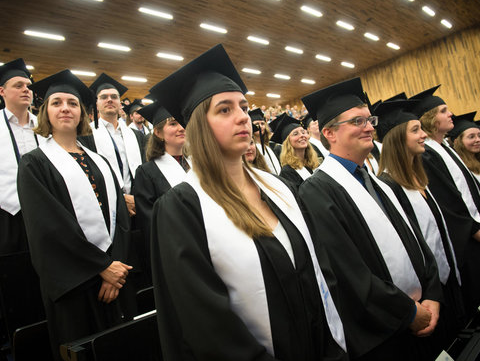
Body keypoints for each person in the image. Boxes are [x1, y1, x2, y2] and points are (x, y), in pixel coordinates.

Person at [148, 44, 347, 361]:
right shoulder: (182, 207)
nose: (243, 118)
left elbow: (322, 271)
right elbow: (206, 326)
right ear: (199, 125)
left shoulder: (278, 187)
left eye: (243, 106)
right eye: (225, 109)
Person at [300, 77, 443, 361]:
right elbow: (349, 272)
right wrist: (408, 312)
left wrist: (433, 293)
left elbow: (413, 238)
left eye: (369, 119)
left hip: (423, 313)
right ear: (329, 132)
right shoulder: (316, 191)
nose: (369, 127)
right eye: (357, 121)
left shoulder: (375, 180)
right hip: (384, 335)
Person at [17, 70, 136, 361]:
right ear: (45, 112)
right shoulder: (35, 164)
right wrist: (101, 267)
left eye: (72, 103)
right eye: (56, 103)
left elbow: (120, 219)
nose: (66, 108)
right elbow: (48, 228)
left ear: (82, 112)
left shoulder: (99, 160)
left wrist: (115, 270)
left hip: (114, 278)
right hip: (74, 282)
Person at [375, 99, 465, 351]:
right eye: (415, 130)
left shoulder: (418, 177)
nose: (424, 134)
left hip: (446, 284)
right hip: (428, 295)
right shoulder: (388, 186)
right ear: (396, 140)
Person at [412, 86, 480, 316]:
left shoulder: (444, 148)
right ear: (431, 119)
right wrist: (475, 230)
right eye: (443, 110)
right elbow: (447, 203)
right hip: (465, 242)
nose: (450, 114)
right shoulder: (428, 155)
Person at [0, 58, 46, 347]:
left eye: (28, 85)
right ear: (2, 91)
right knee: (13, 283)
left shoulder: (42, 127)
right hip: (8, 215)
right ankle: (14, 337)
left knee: (42, 274)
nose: (26, 89)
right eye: (18, 85)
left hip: (43, 215)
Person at [133, 101, 189, 284]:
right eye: (173, 123)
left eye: (182, 122)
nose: (181, 128)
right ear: (158, 132)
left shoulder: (199, 165)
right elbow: (151, 224)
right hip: (177, 257)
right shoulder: (147, 172)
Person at [78, 73, 145, 216]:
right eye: (103, 97)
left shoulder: (136, 135)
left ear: (120, 103)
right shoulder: (85, 136)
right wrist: (121, 199)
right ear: (96, 103)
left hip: (138, 202)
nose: (109, 100)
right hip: (107, 206)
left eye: (114, 97)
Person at [271, 115, 320, 189]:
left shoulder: (311, 163)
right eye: (295, 134)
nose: (302, 135)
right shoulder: (288, 172)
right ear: (288, 142)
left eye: (303, 132)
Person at [449, 111, 480, 181]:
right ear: (456, 142)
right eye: (471, 137)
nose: (478, 139)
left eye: (479, 135)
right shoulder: (458, 167)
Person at [249, 107, 281, 174]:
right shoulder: (252, 148)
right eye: (257, 124)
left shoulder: (269, 146)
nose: (260, 126)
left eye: (262, 124)